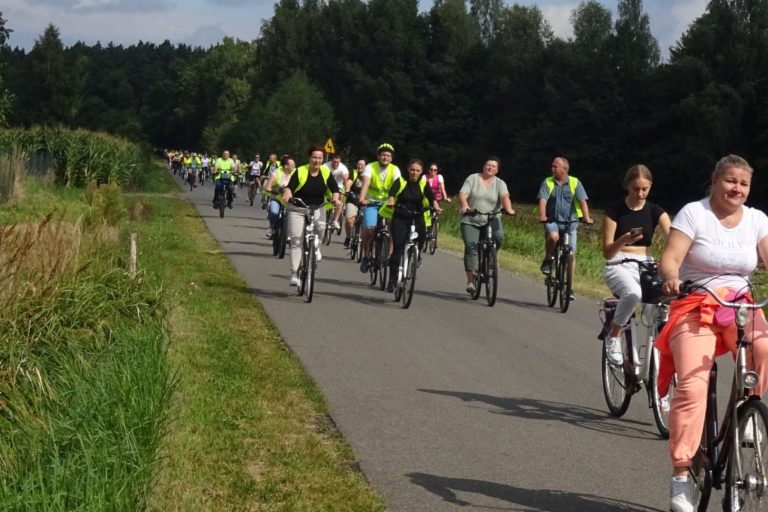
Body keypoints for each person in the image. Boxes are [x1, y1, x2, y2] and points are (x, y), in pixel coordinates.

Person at [656, 154, 768, 512]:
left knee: (764, 348)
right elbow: (670, 258)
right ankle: (681, 478)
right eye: (730, 181)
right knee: (692, 386)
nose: (737, 189)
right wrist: (672, 277)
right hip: (694, 301)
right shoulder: (694, 213)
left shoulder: (757, 220)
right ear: (715, 181)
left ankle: (747, 409)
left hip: (740, 304)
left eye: (744, 183)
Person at [601, 165, 671, 365]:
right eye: (635, 189)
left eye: (645, 189)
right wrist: (622, 240)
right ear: (627, 187)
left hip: (646, 264)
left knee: (657, 306)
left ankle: (656, 358)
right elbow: (607, 252)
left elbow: (673, 238)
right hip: (619, 262)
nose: (640, 194)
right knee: (633, 293)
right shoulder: (614, 211)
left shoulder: (655, 211)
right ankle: (613, 336)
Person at [282, 145, 341, 286]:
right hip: (298, 208)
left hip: (317, 208)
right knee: (296, 240)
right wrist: (288, 194)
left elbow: (334, 188)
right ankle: (295, 273)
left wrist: (335, 198)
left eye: (320, 158)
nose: (317, 160)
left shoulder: (325, 172)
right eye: (314, 157)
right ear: (309, 158)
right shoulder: (301, 171)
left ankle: (315, 247)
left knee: (321, 227)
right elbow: (290, 187)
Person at [380, 159, 442, 292]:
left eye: (418, 170)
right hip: (401, 215)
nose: (415, 172)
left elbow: (431, 196)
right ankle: (392, 280)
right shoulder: (401, 181)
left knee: (423, 235)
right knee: (398, 248)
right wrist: (391, 200)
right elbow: (392, 192)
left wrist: (435, 205)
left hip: (417, 214)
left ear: (421, 172)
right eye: (412, 170)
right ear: (408, 169)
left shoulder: (422, 182)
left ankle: (417, 254)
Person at [537, 156, 594, 299]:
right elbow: (542, 200)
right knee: (553, 236)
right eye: (553, 166)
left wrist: (586, 217)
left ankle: (569, 287)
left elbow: (582, 201)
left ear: (564, 169)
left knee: (572, 254)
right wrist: (543, 216)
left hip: (570, 223)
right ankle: (549, 259)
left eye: (556, 166)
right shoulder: (548, 182)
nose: (553, 168)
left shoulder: (575, 182)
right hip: (552, 220)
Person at [457, 157, 515, 293]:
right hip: (471, 218)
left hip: (491, 218)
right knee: (471, 247)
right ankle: (471, 281)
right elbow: (463, 193)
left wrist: (509, 209)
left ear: (497, 170)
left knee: (498, 236)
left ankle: (490, 258)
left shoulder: (500, 183)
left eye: (493, 166)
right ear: (483, 166)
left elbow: (505, 197)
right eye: (488, 165)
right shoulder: (473, 178)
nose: (490, 168)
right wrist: (465, 205)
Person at [358, 143, 401, 273]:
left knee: (393, 228)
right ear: (378, 156)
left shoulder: (395, 169)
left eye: (388, 155)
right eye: (383, 155)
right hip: (371, 202)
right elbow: (365, 183)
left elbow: (397, 186)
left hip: (388, 203)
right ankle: (366, 256)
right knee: (370, 229)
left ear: (391, 158)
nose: (385, 157)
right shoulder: (370, 167)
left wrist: (393, 199)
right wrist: (362, 198)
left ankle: (390, 255)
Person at [264, 155, 297, 239]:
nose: (294, 166)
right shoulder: (277, 171)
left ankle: (290, 233)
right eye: (292, 165)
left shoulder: (296, 172)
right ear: (286, 166)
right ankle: (272, 227)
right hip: (277, 197)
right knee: (274, 212)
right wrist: (269, 187)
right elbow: (269, 183)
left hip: (290, 200)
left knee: (293, 216)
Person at [343, 159, 365, 248]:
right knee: (350, 220)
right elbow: (349, 182)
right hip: (353, 199)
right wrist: (347, 190)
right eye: (358, 164)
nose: (360, 166)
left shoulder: (369, 175)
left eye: (362, 165)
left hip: (365, 201)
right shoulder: (354, 172)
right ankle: (348, 237)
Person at [324, 154, 349, 232]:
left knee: (339, 200)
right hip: (327, 185)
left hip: (339, 186)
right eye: (334, 162)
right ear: (331, 161)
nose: (336, 164)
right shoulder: (325, 166)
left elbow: (346, 179)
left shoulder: (343, 168)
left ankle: (335, 220)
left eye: (337, 162)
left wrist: (347, 189)